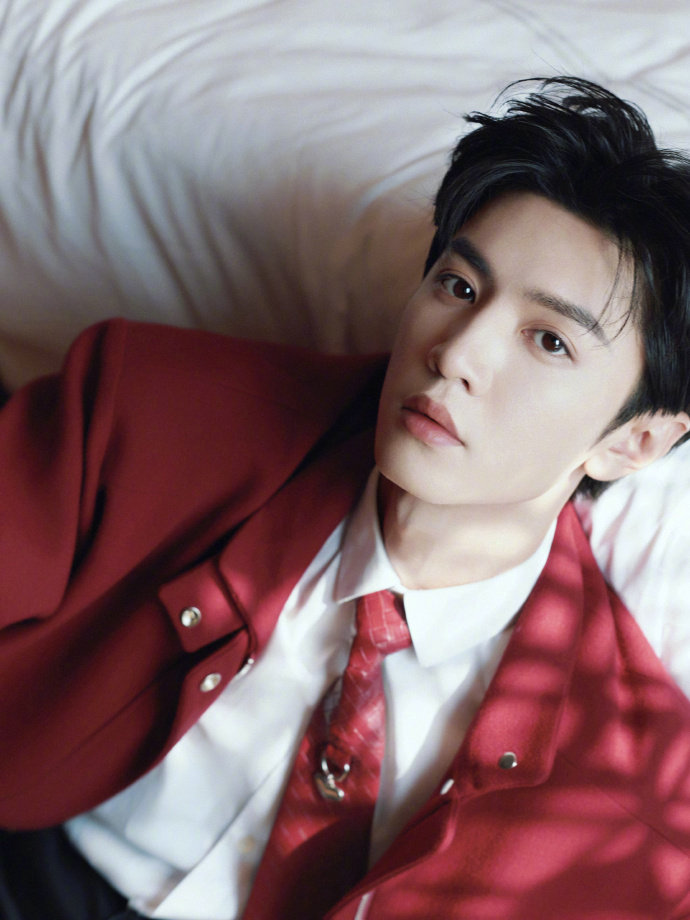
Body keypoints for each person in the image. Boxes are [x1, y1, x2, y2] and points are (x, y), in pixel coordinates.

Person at [2, 76, 690, 920]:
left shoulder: (638, 804)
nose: (457, 354)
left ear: (634, 442)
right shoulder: (145, 416)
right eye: (458, 287)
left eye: (548, 341)